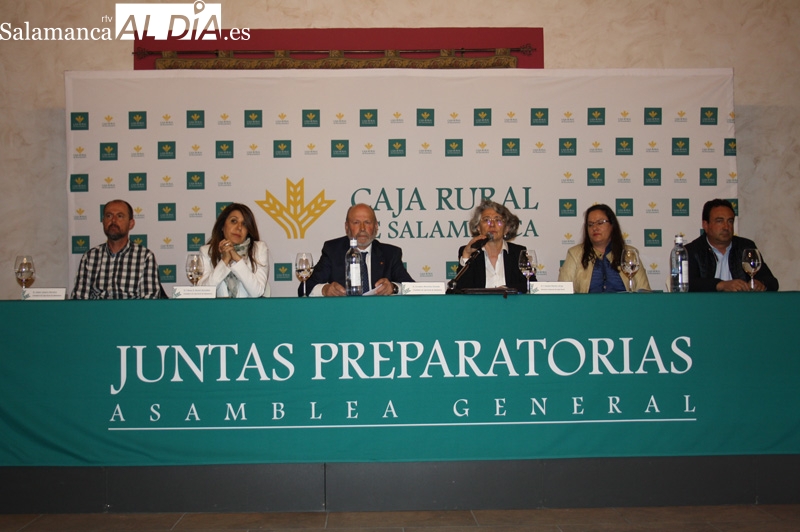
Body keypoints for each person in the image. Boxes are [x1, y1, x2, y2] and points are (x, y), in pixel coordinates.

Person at [300, 203, 414, 296]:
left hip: (380, 316)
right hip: (343, 316)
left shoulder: (391, 254)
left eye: (367, 222)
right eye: (356, 223)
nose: (362, 229)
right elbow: (304, 289)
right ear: (346, 227)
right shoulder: (332, 250)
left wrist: (394, 288)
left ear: (375, 227)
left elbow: (413, 288)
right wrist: (325, 290)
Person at [71, 199, 163, 299]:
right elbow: (79, 300)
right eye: (109, 216)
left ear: (131, 224)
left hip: (132, 313)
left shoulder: (144, 257)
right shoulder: (90, 257)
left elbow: (149, 302)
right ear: (103, 221)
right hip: (96, 313)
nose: (113, 220)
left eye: (120, 216)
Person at [685, 199, 778, 292]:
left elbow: (772, 282)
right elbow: (687, 284)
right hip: (706, 305)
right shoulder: (692, 250)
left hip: (741, 304)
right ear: (705, 225)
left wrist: (761, 284)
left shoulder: (745, 247)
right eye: (719, 221)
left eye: (730, 221)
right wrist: (720, 285)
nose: (726, 227)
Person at [558, 203, 650, 293]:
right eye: (590, 224)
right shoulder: (575, 254)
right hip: (587, 307)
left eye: (600, 223)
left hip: (624, 307)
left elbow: (645, 293)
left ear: (612, 225)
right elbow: (563, 293)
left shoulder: (629, 253)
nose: (595, 228)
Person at [453, 199, 534, 293]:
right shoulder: (470, 252)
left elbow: (530, 285)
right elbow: (461, 290)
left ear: (507, 228)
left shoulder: (518, 252)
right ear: (478, 228)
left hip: (511, 306)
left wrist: (507, 290)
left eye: (498, 220)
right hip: (478, 307)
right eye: (486, 220)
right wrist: (466, 255)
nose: (492, 224)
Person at [198, 203, 270, 298]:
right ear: (222, 226)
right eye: (233, 221)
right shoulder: (207, 252)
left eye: (244, 224)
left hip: (250, 311)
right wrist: (224, 261)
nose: (239, 227)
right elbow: (203, 293)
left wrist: (237, 258)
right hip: (217, 311)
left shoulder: (259, 249)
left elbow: (257, 292)